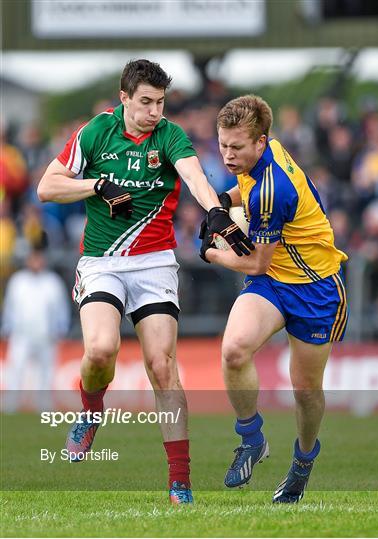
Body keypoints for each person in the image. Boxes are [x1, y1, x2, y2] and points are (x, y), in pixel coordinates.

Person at [37, 59, 253, 505]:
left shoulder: (169, 136)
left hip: (154, 263)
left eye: (160, 102)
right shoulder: (96, 132)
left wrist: (214, 210)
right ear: (124, 99)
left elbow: (194, 175)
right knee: (100, 351)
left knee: (162, 367)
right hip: (101, 262)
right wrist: (96, 186)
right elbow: (47, 187)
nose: (155, 111)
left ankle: (180, 482)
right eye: (146, 102)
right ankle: (91, 412)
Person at [200, 95, 348, 503]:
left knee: (306, 391)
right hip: (274, 283)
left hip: (314, 288)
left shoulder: (272, 189)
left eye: (237, 148)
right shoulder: (266, 153)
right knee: (233, 350)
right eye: (222, 145)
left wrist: (212, 252)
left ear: (261, 143)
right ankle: (252, 439)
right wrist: (221, 203)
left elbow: (255, 265)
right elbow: (244, 190)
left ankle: (302, 462)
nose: (228, 156)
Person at [2, 246, 70, 411]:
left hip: (46, 336)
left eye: (39, 259)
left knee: (46, 372)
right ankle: (11, 405)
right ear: (27, 261)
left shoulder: (52, 282)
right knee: (16, 369)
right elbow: (10, 307)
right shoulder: (18, 281)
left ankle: (44, 406)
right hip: (21, 335)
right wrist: (6, 328)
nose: (36, 263)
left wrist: (61, 328)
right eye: (33, 259)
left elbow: (62, 308)